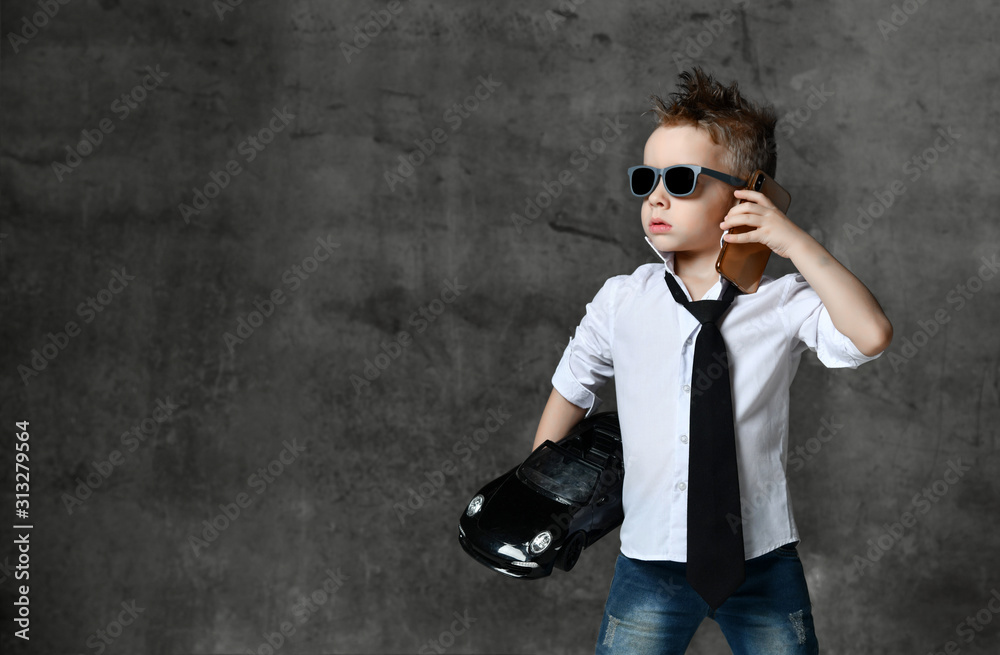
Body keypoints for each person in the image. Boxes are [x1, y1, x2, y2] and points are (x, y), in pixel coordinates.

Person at [530, 67, 893, 654]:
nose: (656, 196)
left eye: (680, 179)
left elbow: (871, 334)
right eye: (646, 178)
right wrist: (541, 497)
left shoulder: (782, 301)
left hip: (762, 560)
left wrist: (792, 240)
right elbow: (573, 388)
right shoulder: (624, 298)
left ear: (747, 192)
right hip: (649, 560)